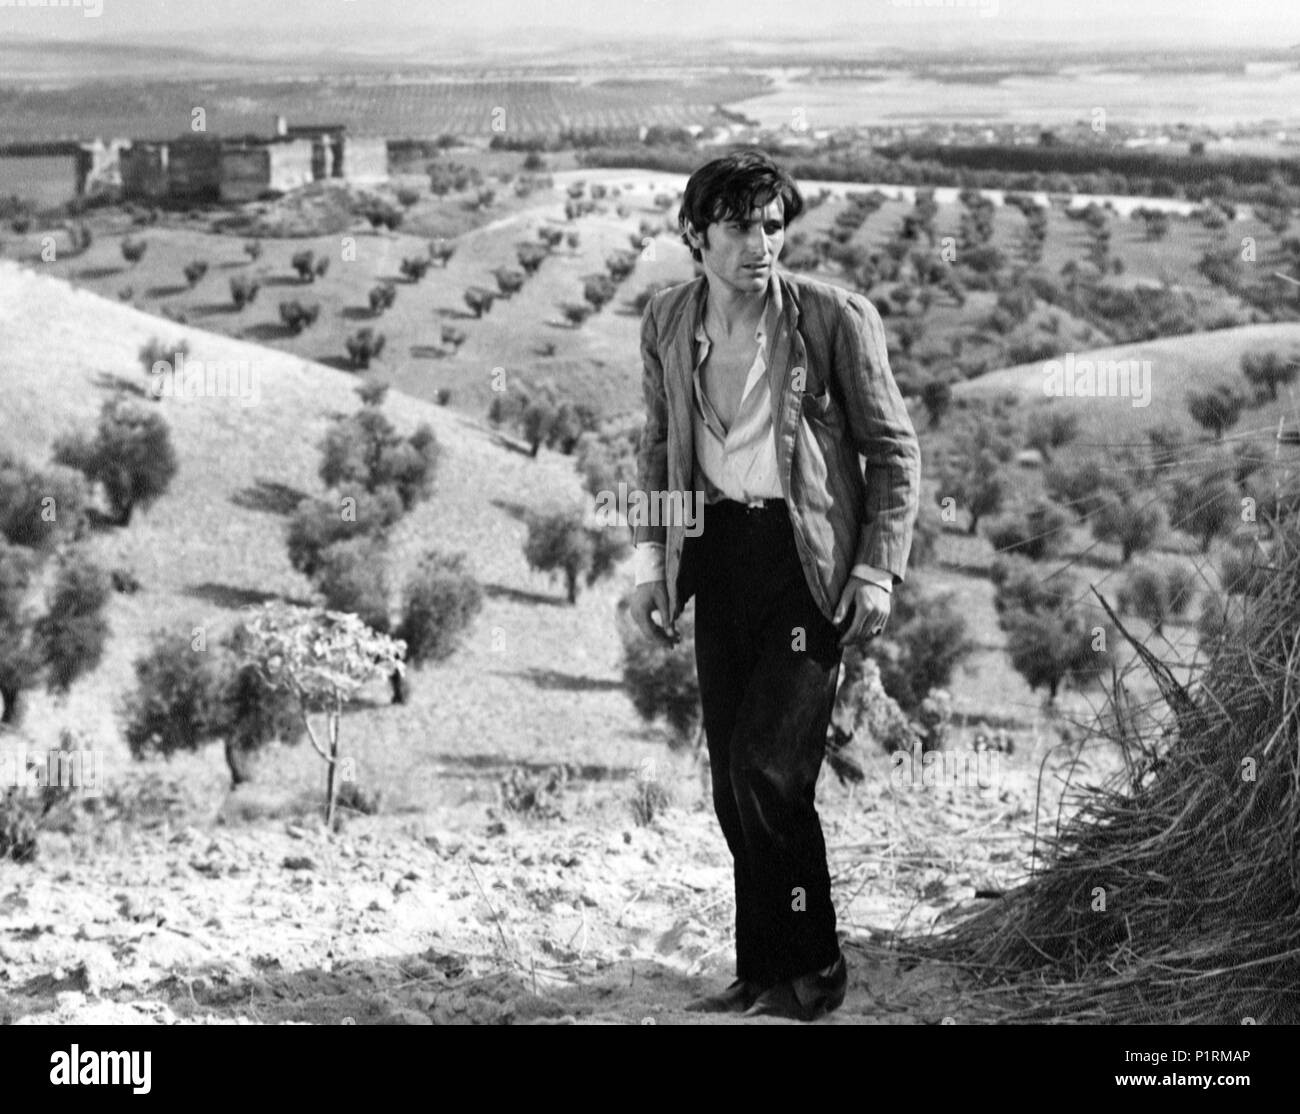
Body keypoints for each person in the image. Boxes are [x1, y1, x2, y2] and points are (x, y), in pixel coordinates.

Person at [628, 150, 921, 1021]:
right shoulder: (668, 320)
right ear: (695, 235)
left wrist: (877, 567)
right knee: (730, 779)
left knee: (769, 768)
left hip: (808, 562)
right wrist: (653, 563)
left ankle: (817, 965)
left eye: (772, 226)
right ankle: (762, 970)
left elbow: (894, 450)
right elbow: (656, 446)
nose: (761, 244)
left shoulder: (833, 319)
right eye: (739, 227)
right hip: (718, 555)